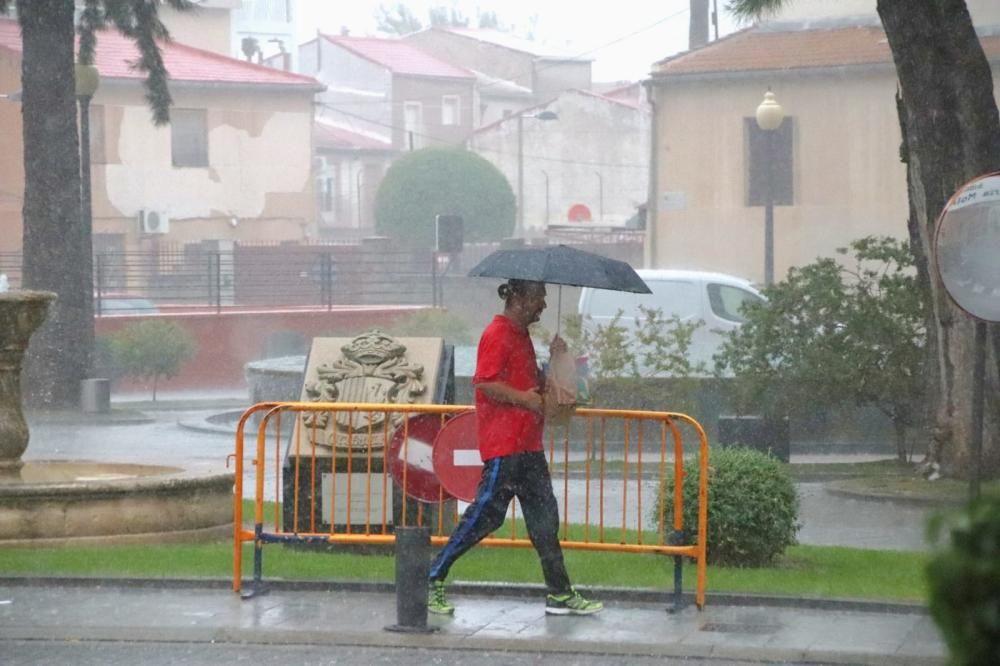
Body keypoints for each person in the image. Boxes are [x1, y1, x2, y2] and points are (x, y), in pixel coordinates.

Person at [427, 279, 603, 616]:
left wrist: (557, 362)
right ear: (518, 298)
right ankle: (432, 577)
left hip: (528, 446)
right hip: (505, 446)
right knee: (485, 516)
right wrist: (527, 399)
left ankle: (560, 593)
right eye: (539, 298)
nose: (544, 305)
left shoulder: (521, 337)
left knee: (544, 521)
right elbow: (485, 382)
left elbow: (531, 383)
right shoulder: (497, 334)